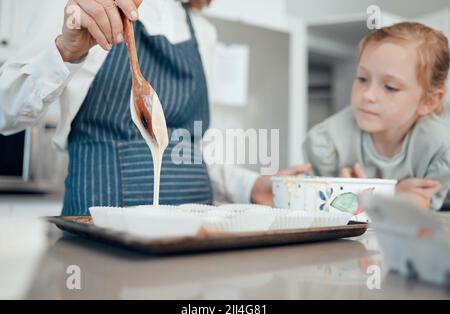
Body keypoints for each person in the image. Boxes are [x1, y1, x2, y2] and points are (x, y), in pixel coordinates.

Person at [0, 0, 310, 215]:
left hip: (191, 241)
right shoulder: (82, 7)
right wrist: (65, 50)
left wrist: (250, 186)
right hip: (101, 240)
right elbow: (5, 112)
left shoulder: (202, 31)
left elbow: (187, 151)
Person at [303, 22, 450, 210]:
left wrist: (367, 194)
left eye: (390, 87)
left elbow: (419, 209)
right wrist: (392, 194)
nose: (368, 95)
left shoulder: (440, 148)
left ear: (428, 101)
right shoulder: (328, 139)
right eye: (362, 79)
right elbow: (311, 202)